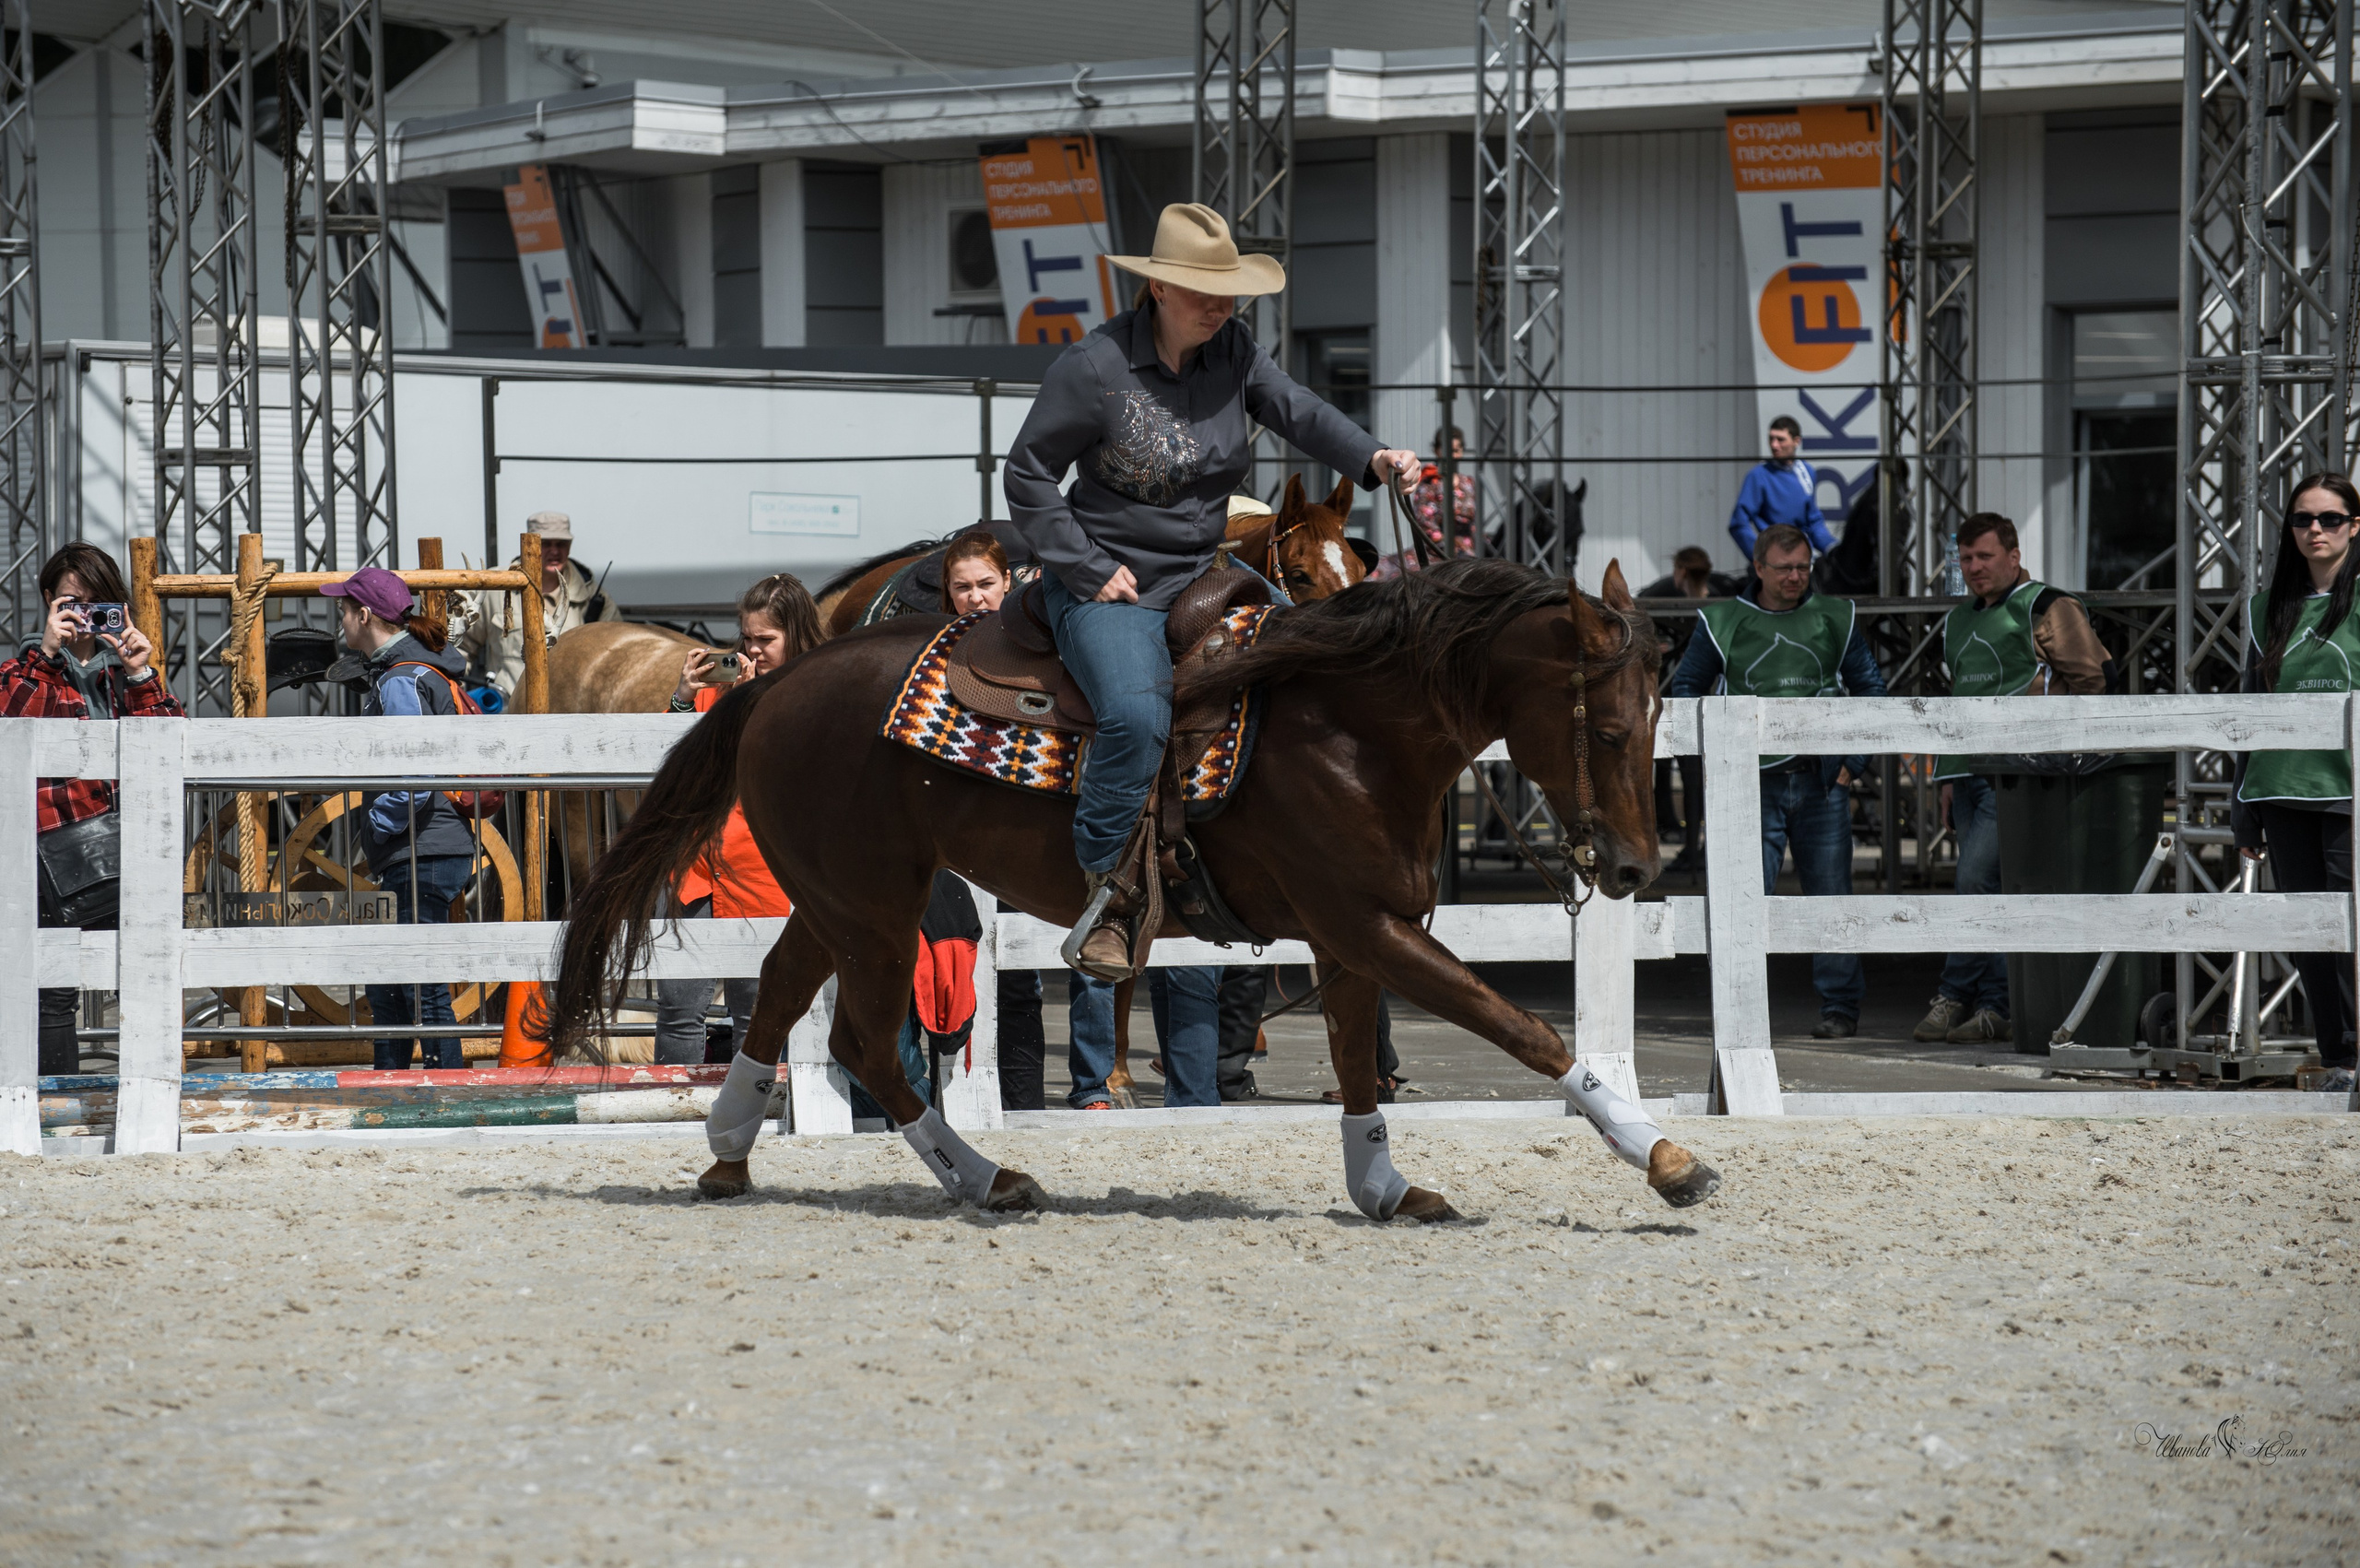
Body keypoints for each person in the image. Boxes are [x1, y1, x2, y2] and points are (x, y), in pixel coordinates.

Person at [1002, 201, 1418, 979]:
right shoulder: (1093, 367)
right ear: (1159, 288)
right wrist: (1086, 567)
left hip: (1203, 572)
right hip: (1113, 586)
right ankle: (1108, 892)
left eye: (1229, 291)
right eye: (1204, 291)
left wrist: (1373, 457)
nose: (1221, 305)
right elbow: (1026, 475)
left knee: (1316, 663)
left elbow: (1298, 409)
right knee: (1135, 715)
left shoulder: (1234, 351)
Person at [1667, 523, 1888, 1039]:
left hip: (1821, 781)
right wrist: (1714, 766)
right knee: (1744, 900)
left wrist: (1854, 762)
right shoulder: (1722, 620)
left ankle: (1840, 1008)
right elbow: (1686, 690)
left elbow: (1872, 690)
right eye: (1785, 568)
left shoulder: (1835, 615)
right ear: (1758, 568)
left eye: (1803, 567)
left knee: (1830, 899)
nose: (1795, 576)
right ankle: (1739, 1009)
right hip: (1748, 784)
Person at [1913, 512, 2112, 1046]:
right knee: (1990, 884)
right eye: (1966, 558)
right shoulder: (1957, 620)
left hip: (2019, 773)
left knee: (1975, 880)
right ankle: (1993, 1004)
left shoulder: (2047, 606)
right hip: (1968, 772)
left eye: (1985, 556)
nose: (1974, 567)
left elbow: (2094, 681)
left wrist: (2055, 748)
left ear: (2014, 556)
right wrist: (1946, 776)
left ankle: (1965, 996)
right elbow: (1958, 701)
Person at [2, 544, 184, 1076]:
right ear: (48, 601)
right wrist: (48, 654)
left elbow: (172, 745)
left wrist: (140, 673)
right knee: (53, 993)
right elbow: (13, 723)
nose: (83, 616)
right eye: (70, 603)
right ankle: (54, 1105)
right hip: (49, 857)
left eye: (96, 603)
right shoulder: (21, 670)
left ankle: (144, 1095)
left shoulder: (123, 673)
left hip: (129, 851)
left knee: (143, 980)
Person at [654, 574, 825, 1065]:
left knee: (759, 1012)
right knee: (679, 1010)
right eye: (746, 637)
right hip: (695, 870)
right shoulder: (719, 689)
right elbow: (670, 763)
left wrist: (750, 706)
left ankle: (760, 1104)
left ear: (796, 632)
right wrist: (683, 697)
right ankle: (675, 1106)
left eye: (765, 639)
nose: (752, 649)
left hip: (765, 873)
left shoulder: (818, 688)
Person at [2232, 474, 2360, 1094]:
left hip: (2348, 794)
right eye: (2304, 519)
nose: (2316, 530)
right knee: (2309, 936)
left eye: (2330, 518)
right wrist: (2242, 803)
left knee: (2352, 933)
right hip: (2278, 790)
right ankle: (2339, 1058)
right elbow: (2249, 709)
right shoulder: (2265, 608)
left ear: (2354, 526)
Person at [324, 567, 479, 1071]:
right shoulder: (418, 671)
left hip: (421, 849)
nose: (341, 621)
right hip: (430, 846)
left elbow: (415, 777)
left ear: (364, 615)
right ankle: (393, 1083)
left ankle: (443, 1091)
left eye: (344, 611)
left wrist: (377, 825)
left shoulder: (399, 681)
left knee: (419, 984)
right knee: (392, 981)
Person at [924, 535, 1056, 1112]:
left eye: (985, 584)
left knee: (1022, 984)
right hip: (952, 839)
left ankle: (1026, 1108)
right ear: (948, 594)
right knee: (945, 976)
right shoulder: (933, 654)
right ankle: (941, 1105)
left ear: (1008, 583)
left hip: (1021, 832)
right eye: (963, 587)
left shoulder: (1040, 648)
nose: (976, 597)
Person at [1639, 547, 1742, 872]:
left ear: (1680, 571)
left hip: (1685, 698)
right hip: (1720, 699)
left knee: (1688, 773)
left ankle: (1692, 847)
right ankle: (1705, 847)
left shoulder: (1660, 593)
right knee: (1712, 775)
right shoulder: (1727, 593)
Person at [454, 511, 621, 706]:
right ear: (529, 545)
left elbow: (616, 654)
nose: (554, 551)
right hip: (507, 711)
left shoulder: (594, 598)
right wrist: (457, 701)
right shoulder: (496, 587)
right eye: (546, 543)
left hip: (571, 711)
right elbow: (461, 648)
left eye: (561, 544)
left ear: (570, 545)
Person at [1728, 416, 1838, 561]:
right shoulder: (1758, 475)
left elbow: (1813, 521)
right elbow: (1738, 523)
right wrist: (1761, 557)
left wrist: (1831, 547)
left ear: (1796, 441)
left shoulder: (1807, 472)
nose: (1774, 445)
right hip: (1775, 562)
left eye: (1780, 440)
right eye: (1771, 439)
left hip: (1804, 558)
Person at [1372, 426, 1477, 579]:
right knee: (1390, 573)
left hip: (1466, 551)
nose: (1452, 455)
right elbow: (1424, 522)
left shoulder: (1469, 483)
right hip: (1435, 550)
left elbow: (1474, 522)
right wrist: (1447, 547)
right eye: (1447, 450)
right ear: (1436, 450)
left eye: (1456, 450)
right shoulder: (1429, 483)